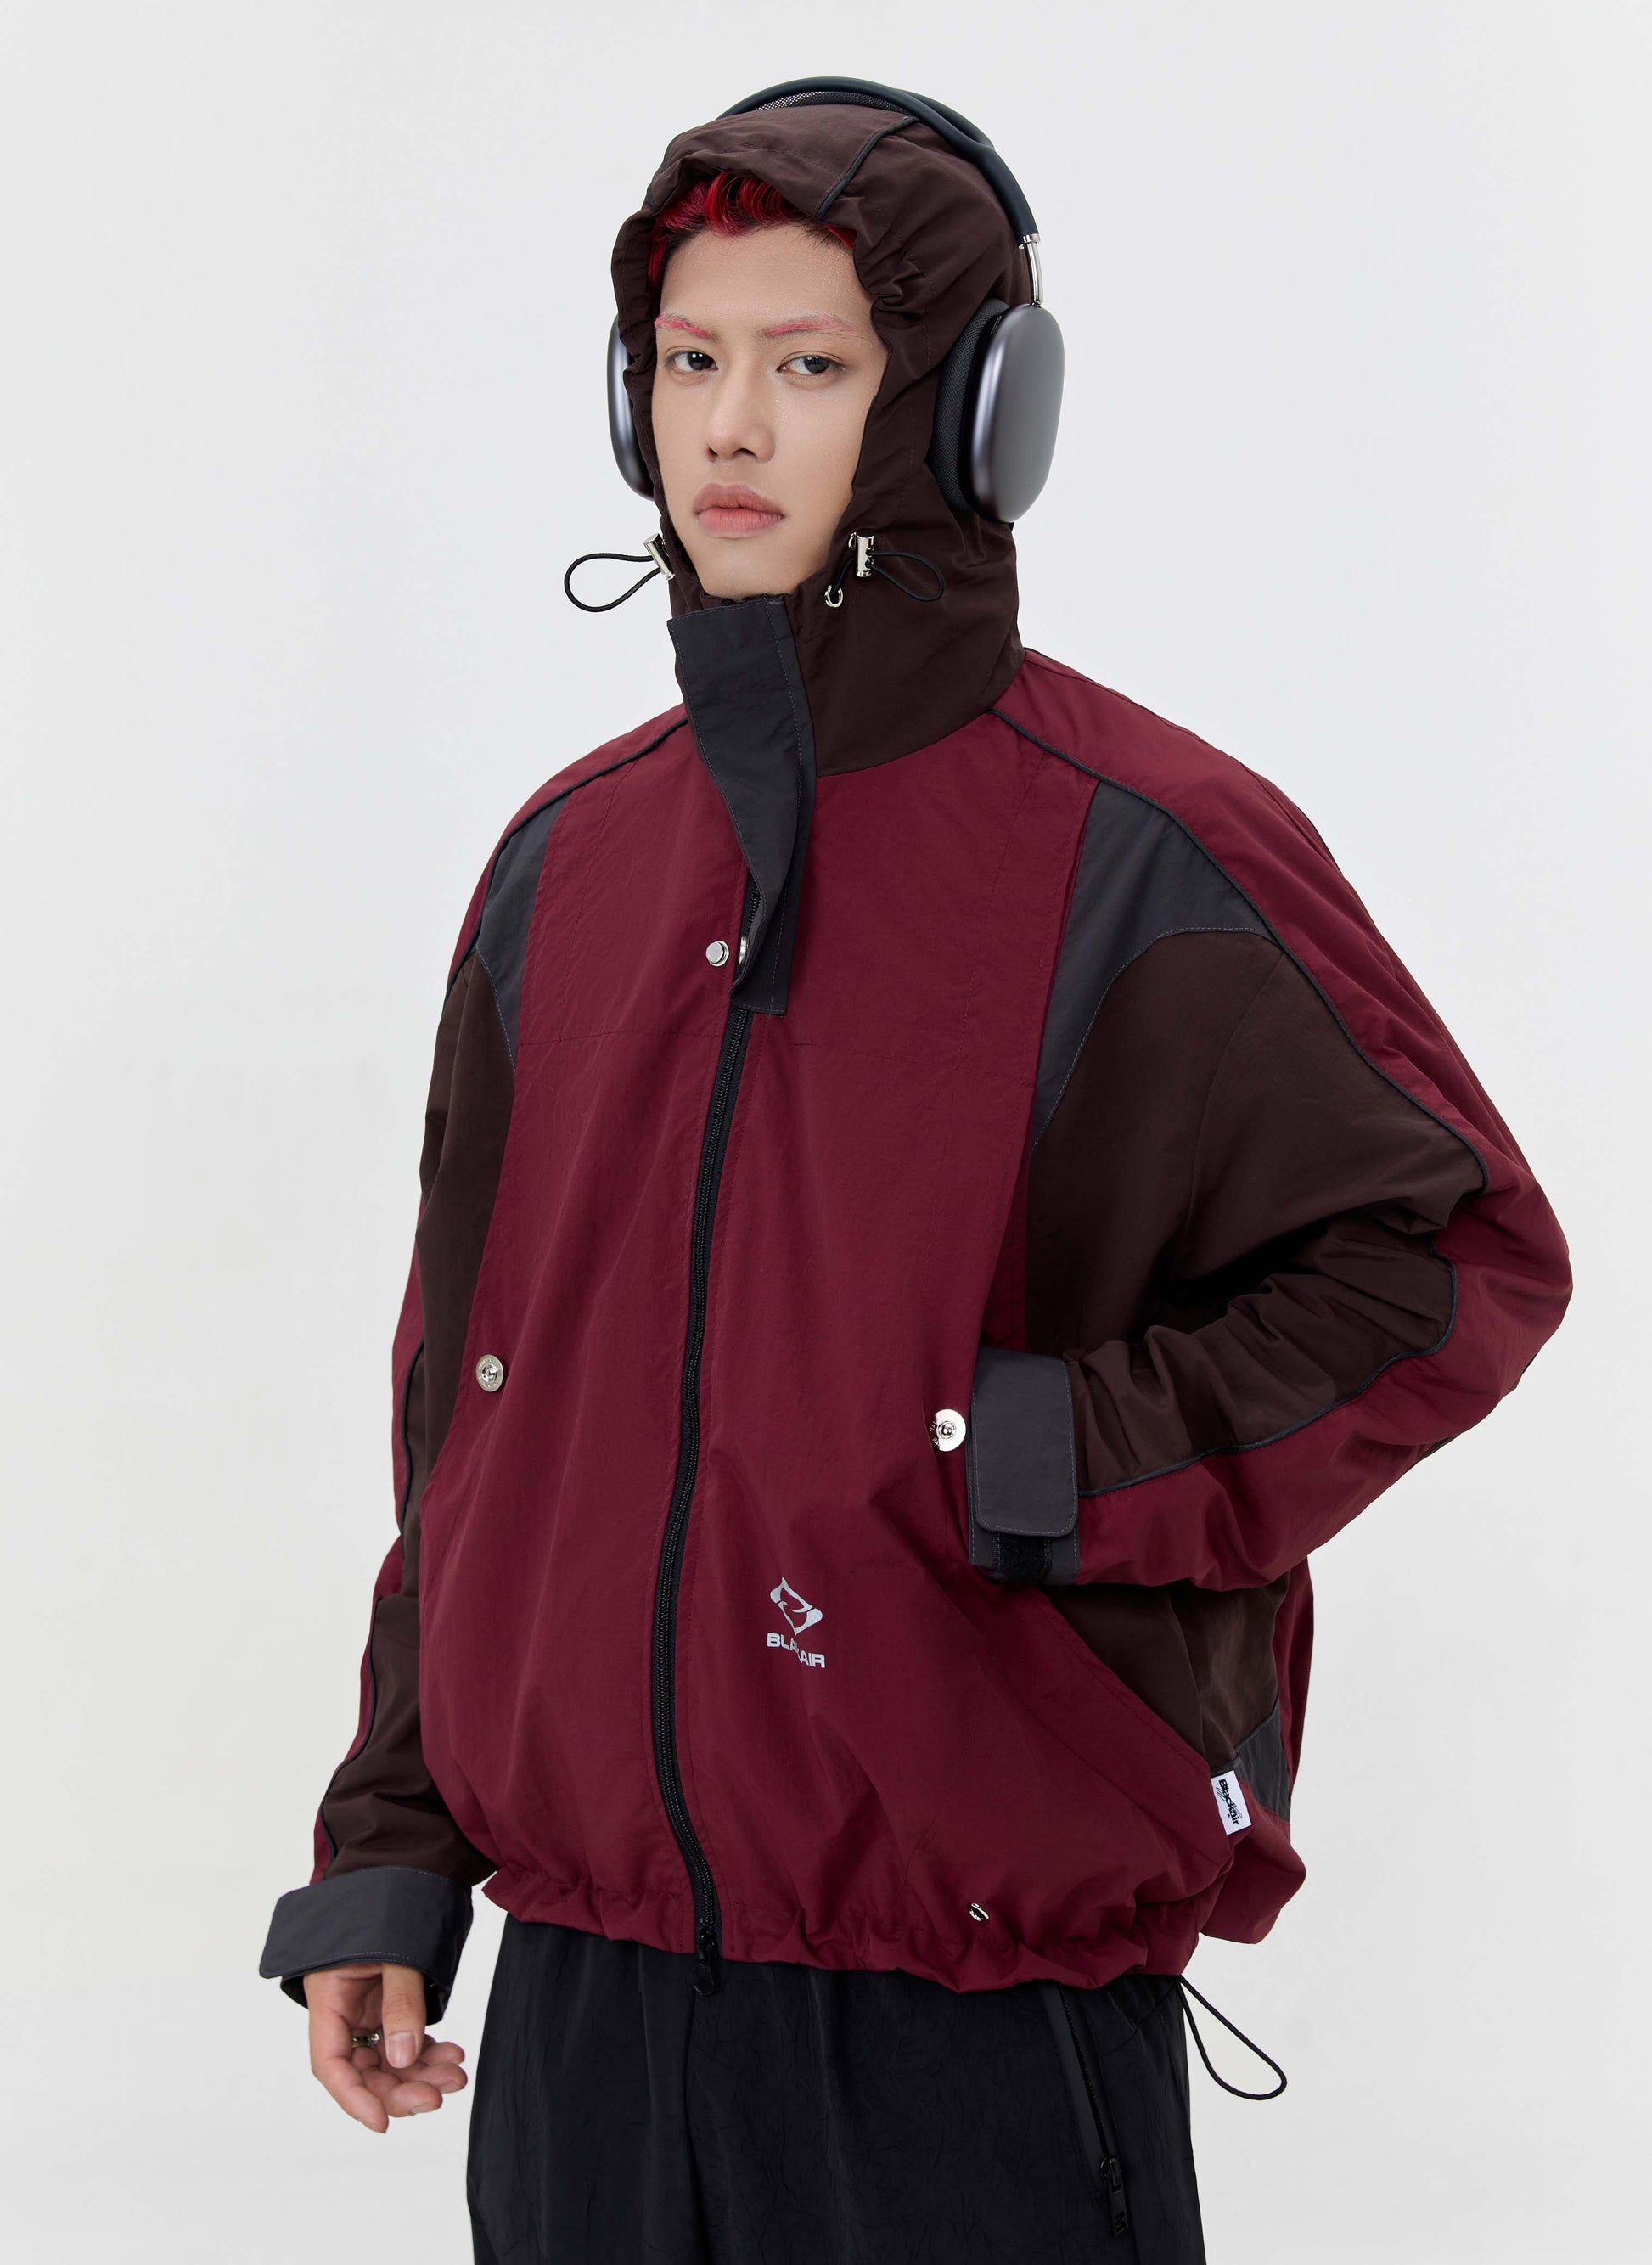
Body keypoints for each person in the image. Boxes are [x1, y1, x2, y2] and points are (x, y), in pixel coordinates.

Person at [259, 83, 1572, 2264]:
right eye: (688, 358)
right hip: (587, 2009)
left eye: (809, 361)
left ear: (970, 412)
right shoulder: (564, 868)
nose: (727, 425)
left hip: (966, 2025)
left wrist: (1049, 1456)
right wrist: (392, 1839)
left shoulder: (1144, 849)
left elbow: (1451, 1259)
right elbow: (470, 1417)